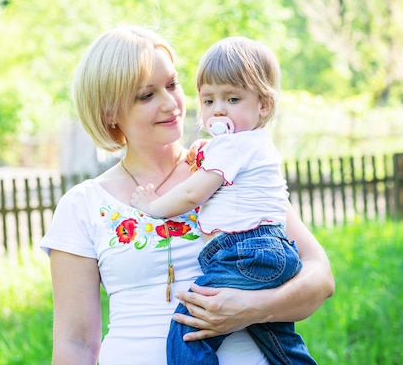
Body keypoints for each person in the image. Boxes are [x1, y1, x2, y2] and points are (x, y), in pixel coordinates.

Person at [39, 25, 334, 365]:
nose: (171, 104)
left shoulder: (232, 167)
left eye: (172, 84)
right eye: (146, 95)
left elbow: (320, 278)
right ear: (109, 112)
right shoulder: (84, 204)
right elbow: (75, 343)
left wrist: (253, 309)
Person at [130, 36, 316, 365]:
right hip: (266, 252)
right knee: (276, 339)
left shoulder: (234, 146)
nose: (218, 110)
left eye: (232, 98)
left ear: (263, 105)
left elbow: (192, 193)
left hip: (243, 253)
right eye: (208, 100)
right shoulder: (245, 145)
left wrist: (152, 205)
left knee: (188, 330)